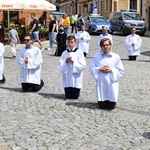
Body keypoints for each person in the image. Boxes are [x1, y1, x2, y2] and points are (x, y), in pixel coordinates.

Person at [89, 38, 125, 109]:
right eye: (104, 45)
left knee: (111, 106)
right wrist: (99, 69)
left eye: (107, 45)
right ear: (101, 47)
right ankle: (101, 101)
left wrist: (111, 70)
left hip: (111, 80)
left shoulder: (116, 56)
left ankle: (112, 101)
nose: (106, 47)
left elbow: (121, 70)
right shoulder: (97, 56)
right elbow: (91, 68)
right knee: (102, 105)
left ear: (110, 45)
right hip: (101, 80)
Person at [58, 35, 86, 99]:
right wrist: (66, 62)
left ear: (75, 42)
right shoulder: (64, 53)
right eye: (69, 42)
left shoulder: (79, 52)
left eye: (72, 42)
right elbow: (60, 65)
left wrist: (73, 61)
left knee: (75, 97)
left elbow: (83, 65)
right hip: (67, 77)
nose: (70, 44)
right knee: (68, 96)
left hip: (76, 77)